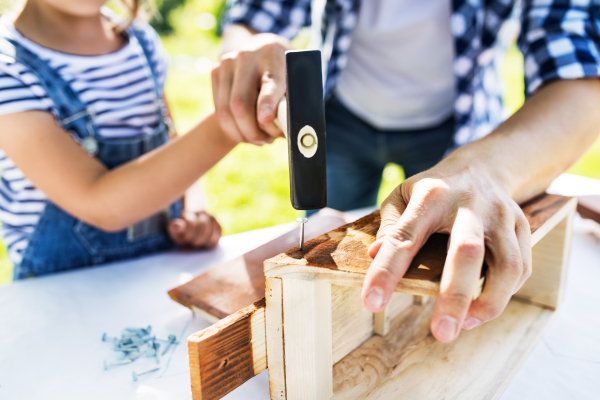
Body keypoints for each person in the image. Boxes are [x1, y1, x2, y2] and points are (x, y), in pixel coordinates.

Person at [213, 0, 600, 343]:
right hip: (342, 115)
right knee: (322, 244)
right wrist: (245, 46)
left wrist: (484, 172)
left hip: (456, 129)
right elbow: (254, 15)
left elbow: (579, 70)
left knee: (429, 259)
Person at [0, 0, 240, 279]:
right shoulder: (9, 70)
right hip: (62, 297)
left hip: (156, 277)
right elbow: (100, 203)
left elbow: (171, 145)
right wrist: (230, 124)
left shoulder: (140, 41)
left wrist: (193, 207)